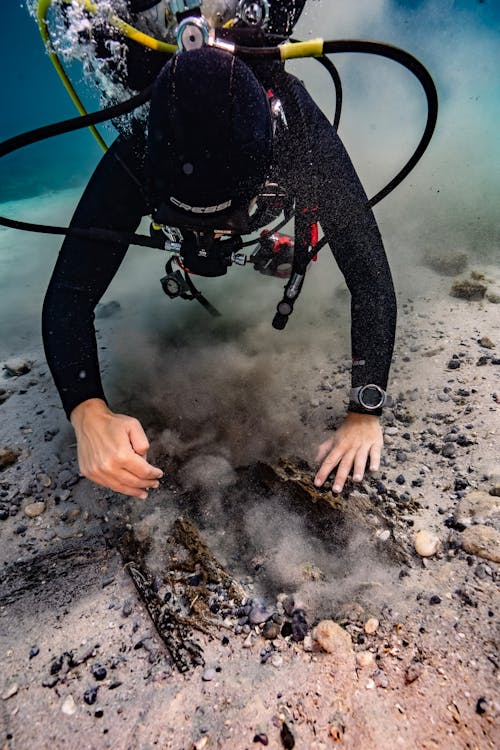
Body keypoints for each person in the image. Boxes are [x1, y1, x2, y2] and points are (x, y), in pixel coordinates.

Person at [41, 0, 397, 500]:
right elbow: (70, 294)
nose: (214, 237)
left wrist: (365, 412)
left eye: (227, 220)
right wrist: (87, 411)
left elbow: (369, 276)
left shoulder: (298, 135)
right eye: (179, 218)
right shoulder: (139, 147)